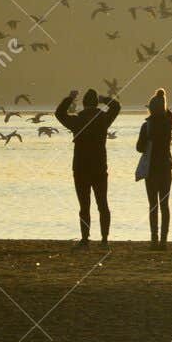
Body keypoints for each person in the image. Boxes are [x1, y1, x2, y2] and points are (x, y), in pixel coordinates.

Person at [55, 88, 121, 246]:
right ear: (95, 103)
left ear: (84, 104)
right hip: (99, 167)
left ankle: (85, 239)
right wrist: (105, 99)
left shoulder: (77, 120)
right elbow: (116, 107)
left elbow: (59, 114)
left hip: (80, 168)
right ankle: (104, 240)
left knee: (84, 206)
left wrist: (70, 98)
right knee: (102, 204)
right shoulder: (103, 119)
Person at [136, 88, 172, 248]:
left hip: (151, 169)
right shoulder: (169, 124)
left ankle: (154, 239)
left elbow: (139, 148)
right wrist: (164, 104)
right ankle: (163, 241)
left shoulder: (146, 126)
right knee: (164, 205)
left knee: (153, 205)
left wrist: (147, 143)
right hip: (166, 167)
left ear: (151, 109)